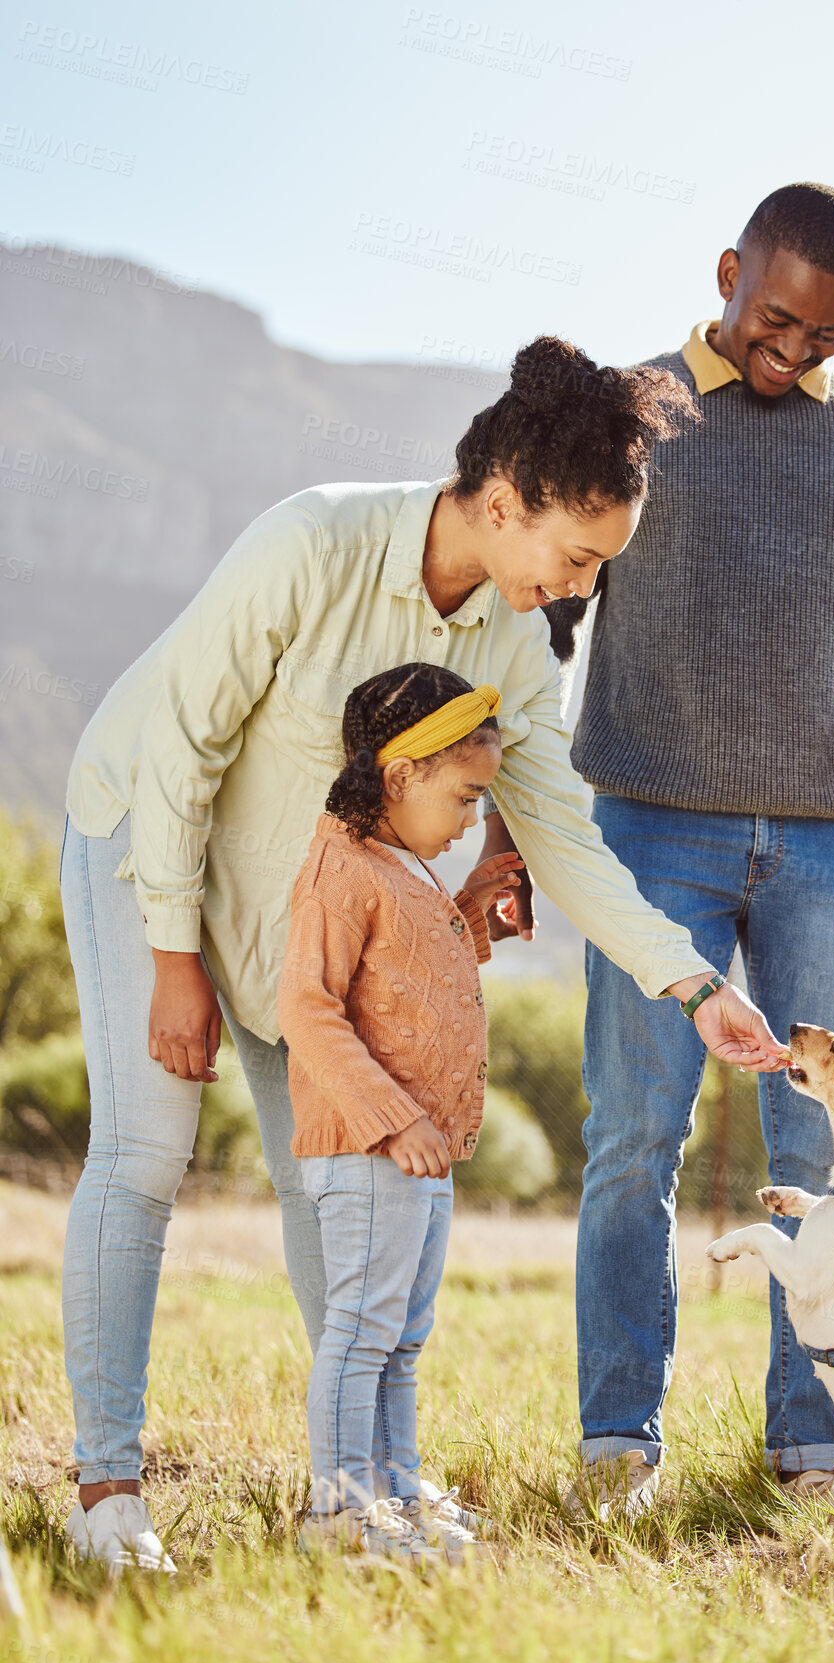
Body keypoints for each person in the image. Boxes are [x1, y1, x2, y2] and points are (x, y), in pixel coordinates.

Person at [59, 335, 788, 1573]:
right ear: (502, 500)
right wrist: (175, 955)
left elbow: (562, 834)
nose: (573, 594)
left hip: (313, 918)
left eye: (595, 573)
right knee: (146, 1151)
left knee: (334, 1179)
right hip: (151, 846)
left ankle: (354, 1490)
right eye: (571, 559)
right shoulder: (315, 544)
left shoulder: (510, 648)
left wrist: (695, 986)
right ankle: (106, 1493)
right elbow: (182, 749)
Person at [485, 184, 834, 1516]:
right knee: (635, 1139)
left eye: (820, 337)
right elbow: (542, 600)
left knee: (825, 1146)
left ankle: (815, 1446)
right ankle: (619, 1443)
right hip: (653, 827)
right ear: (728, 272)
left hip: (832, 840)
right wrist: (507, 802)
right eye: (773, 319)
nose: (790, 352)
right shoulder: (636, 411)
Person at [280, 666, 518, 1564]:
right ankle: (341, 1509)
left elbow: (405, 981)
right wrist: (392, 1119)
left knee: (401, 1338)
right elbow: (306, 1005)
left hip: (419, 1154)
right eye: (463, 797)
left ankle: (393, 1490)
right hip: (374, 1146)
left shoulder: (394, 863)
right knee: (362, 1329)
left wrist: (468, 912)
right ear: (400, 773)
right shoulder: (340, 867)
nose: (468, 819)